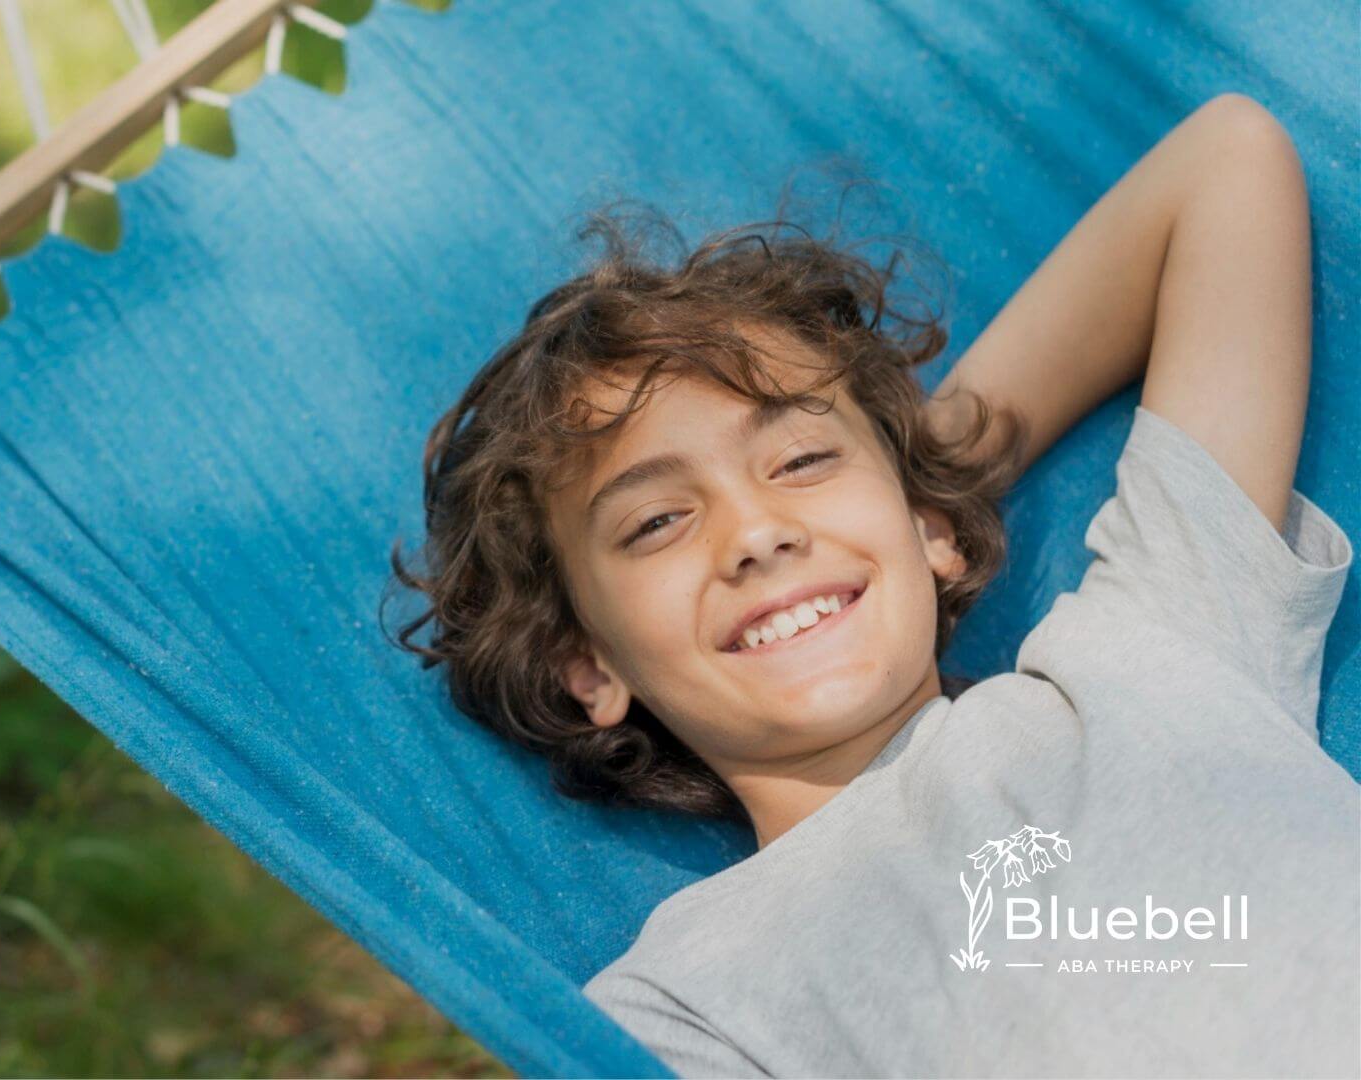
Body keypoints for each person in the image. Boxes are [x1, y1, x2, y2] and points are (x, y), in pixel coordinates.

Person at [388, 92, 1358, 1076]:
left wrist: (923, 481)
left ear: (930, 530)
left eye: (802, 462)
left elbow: (1226, 162)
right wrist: (871, 491)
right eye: (656, 522)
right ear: (587, 668)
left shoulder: (1151, 646)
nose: (758, 533)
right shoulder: (676, 1006)